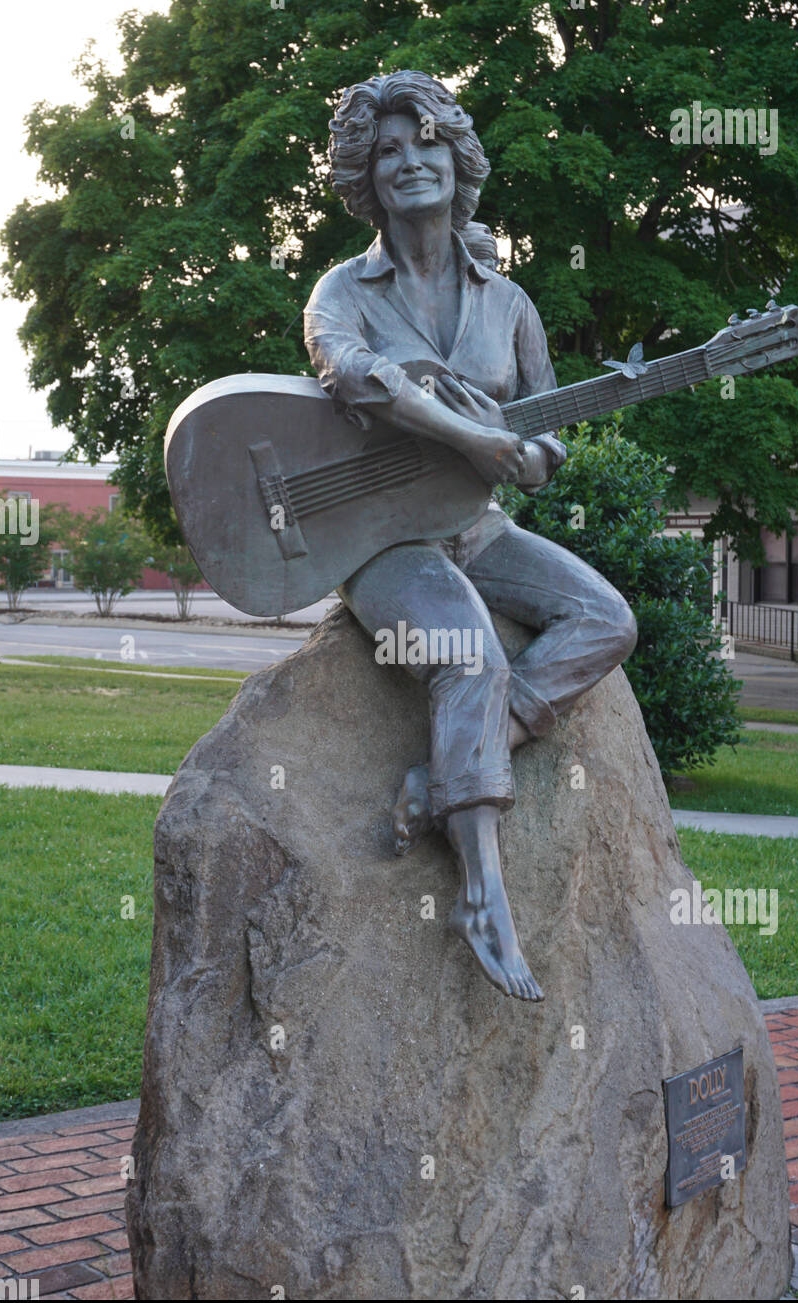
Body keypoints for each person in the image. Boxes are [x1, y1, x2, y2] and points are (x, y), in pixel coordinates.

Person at [304, 71, 637, 1002]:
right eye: (388, 151)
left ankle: (447, 769)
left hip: (476, 528)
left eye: (428, 142)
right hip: (379, 542)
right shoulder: (343, 291)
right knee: (467, 652)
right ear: (366, 178)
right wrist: (474, 436)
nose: (411, 161)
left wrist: (534, 456)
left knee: (606, 620)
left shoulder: (509, 302)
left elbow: (543, 425)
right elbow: (360, 378)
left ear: (459, 159)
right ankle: (482, 894)